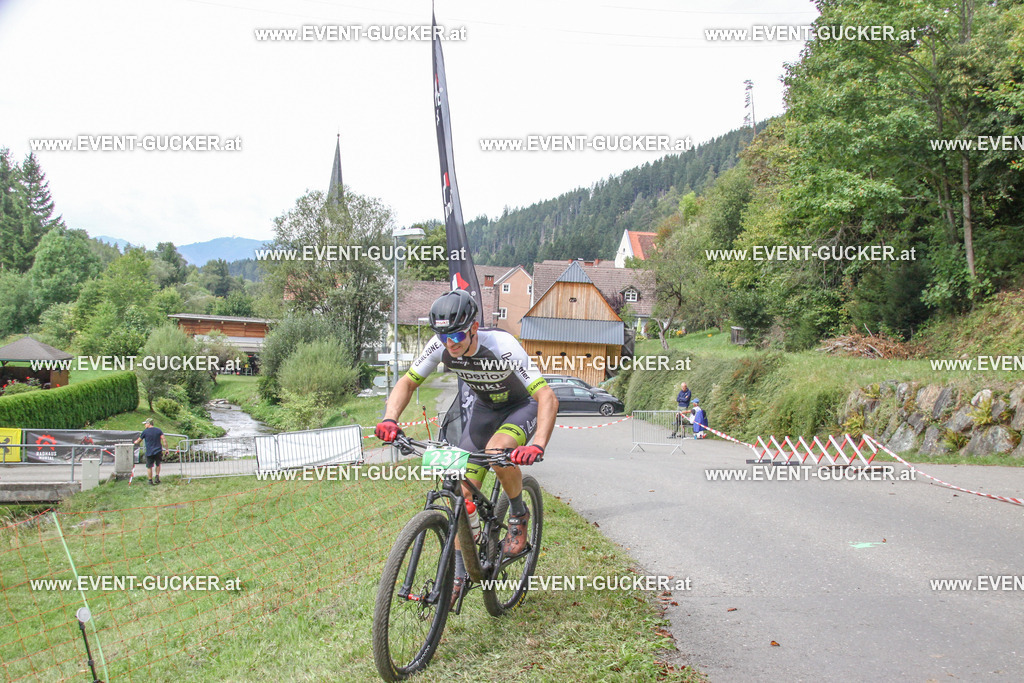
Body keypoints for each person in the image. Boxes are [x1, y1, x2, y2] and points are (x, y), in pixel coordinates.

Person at [375, 289, 558, 606]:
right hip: (484, 412)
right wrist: (390, 419)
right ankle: (461, 572)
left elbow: (547, 397)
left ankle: (518, 513)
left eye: (458, 334)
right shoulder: (441, 346)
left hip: (520, 407)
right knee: (462, 491)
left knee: (497, 452)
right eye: (443, 335)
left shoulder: (502, 346)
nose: (451, 342)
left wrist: (538, 443)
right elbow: (407, 381)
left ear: (474, 327)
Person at [134, 418, 167, 485]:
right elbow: (164, 439)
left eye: (145, 424)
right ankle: (157, 477)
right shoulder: (159, 430)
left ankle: (150, 480)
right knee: (158, 464)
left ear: (149, 424)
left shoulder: (145, 432)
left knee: (149, 466)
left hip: (149, 451)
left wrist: (135, 442)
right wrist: (166, 449)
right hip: (158, 450)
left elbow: (139, 440)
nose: (145, 425)